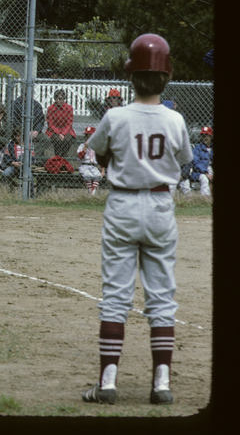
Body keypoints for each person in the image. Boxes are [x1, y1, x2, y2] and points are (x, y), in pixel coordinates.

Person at [81, 33, 192, 406]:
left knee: (116, 296)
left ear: (131, 75)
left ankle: (107, 383)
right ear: (167, 76)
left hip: (123, 204)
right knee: (162, 297)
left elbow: (99, 154)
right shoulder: (175, 119)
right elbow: (183, 161)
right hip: (160, 205)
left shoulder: (116, 115)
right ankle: (161, 384)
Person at [178, 126, 213, 197]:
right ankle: (205, 197)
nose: (205, 138)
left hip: (211, 169)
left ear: (211, 137)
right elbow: (196, 162)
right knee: (204, 178)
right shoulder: (197, 148)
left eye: (206, 136)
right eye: (203, 136)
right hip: (200, 171)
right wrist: (206, 172)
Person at [45, 89, 76, 159]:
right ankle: (57, 156)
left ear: (64, 99)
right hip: (54, 130)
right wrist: (58, 132)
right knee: (57, 140)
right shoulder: (51, 108)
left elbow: (69, 123)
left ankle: (64, 156)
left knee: (68, 139)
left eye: (60, 98)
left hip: (66, 130)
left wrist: (63, 133)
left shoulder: (69, 108)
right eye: (56, 98)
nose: (57, 100)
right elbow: (50, 123)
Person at [77, 126, 106, 195]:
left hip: (93, 166)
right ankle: (91, 192)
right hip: (84, 166)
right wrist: (85, 147)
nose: (88, 137)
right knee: (87, 175)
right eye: (87, 135)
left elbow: (101, 159)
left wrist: (103, 171)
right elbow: (80, 157)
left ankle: (91, 191)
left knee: (98, 176)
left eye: (90, 136)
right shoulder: (82, 146)